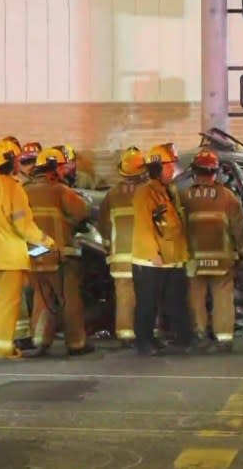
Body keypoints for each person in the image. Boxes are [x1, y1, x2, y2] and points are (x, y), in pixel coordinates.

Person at [0, 139, 55, 359]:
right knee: (5, 303)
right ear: (11, 162)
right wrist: (46, 241)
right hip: (8, 257)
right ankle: (1, 348)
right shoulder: (13, 188)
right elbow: (23, 224)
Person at [25, 148, 94, 356]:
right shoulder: (60, 190)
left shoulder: (23, 191)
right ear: (54, 169)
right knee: (69, 298)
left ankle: (39, 340)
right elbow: (81, 212)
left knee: (41, 296)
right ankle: (76, 343)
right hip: (60, 253)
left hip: (34, 253)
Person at [181, 149, 243, 352]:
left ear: (195, 172)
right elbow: (239, 229)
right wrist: (242, 251)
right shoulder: (228, 197)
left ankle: (200, 334)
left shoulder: (185, 197)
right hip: (222, 260)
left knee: (196, 298)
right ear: (215, 172)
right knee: (223, 299)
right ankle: (224, 338)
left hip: (194, 259)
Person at [131, 142, 194, 356]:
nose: (172, 170)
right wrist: (153, 253)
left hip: (172, 258)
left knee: (174, 301)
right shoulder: (145, 192)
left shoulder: (169, 191)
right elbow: (143, 225)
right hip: (151, 261)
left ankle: (178, 339)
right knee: (147, 304)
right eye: (169, 166)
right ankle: (144, 342)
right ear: (157, 168)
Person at [97, 146, 148, 348]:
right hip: (145, 254)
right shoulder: (149, 192)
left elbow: (103, 225)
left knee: (124, 296)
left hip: (120, 256)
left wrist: (110, 245)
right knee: (146, 295)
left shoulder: (112, 195)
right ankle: (146, 333)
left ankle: (125, 334)